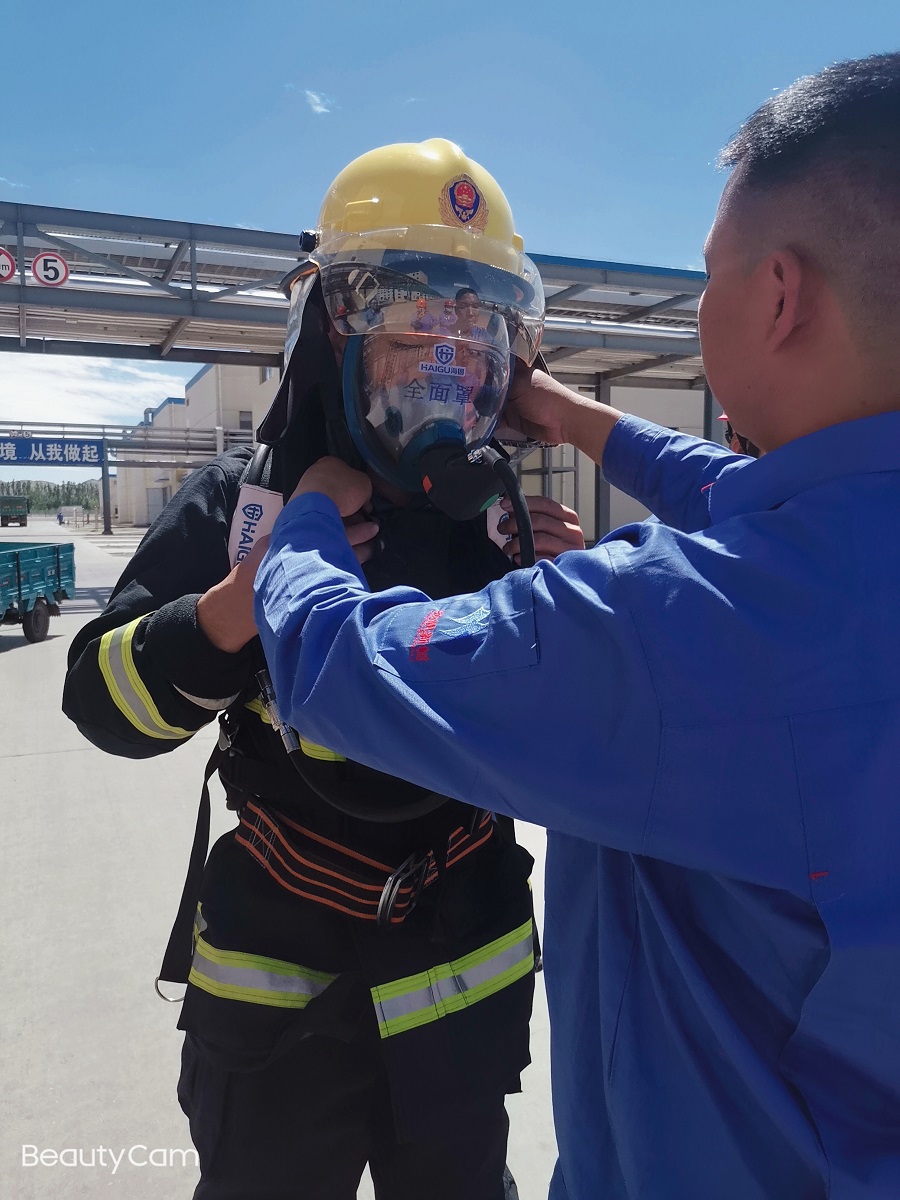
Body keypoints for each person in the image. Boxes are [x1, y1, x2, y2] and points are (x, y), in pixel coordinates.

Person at [251, 54, 900, 1199]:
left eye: (711, 272)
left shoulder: (669, 627)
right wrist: (566, 412)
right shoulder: (831, 549)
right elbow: (751, 496)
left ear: (778, 295)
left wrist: (301, 520)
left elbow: (336, 663)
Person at [62, 138, 583, 1200]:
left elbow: (556, 744)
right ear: (333, 332)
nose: (446, 365)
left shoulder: (497, 520)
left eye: (472, 337)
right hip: (279, 1006)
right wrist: (240, 600)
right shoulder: (242, 505)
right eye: (416, 333)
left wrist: (554, 606)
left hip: (462, 979)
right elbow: (100, 702)